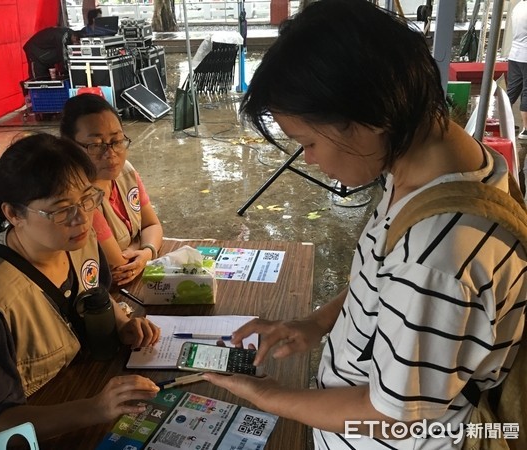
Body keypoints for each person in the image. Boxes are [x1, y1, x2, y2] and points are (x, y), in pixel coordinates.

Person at [202, 1, 527, 449]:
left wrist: (271, 396)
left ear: (370, 118)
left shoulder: (435, 255)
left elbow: (394, 418)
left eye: (309, 142)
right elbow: (382, 280)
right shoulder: (444, 169)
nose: (310, 160)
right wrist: (316, 324)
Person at [0, 133, 161, 449]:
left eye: (88, 199)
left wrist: (123, 324)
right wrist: (95, 408)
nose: (81, 218)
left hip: (74, 387)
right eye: (61, 208)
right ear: (14, 214)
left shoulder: (78, 242)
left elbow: (97, 293)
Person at [60, 94, 163, 286]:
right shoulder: (80, 199)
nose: (110, 154)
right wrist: (141, 248)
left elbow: (152, 226)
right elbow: (119, 266)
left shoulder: (126, 172)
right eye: (96, 145)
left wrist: (147, 251)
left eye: (116, 141)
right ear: (68, 145)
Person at [507, 0, 527, 139]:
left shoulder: (519, 6)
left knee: (512, 91)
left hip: (514, 54)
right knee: (526, 92)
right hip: (526, 56)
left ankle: (505, 122)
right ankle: (526, 129)